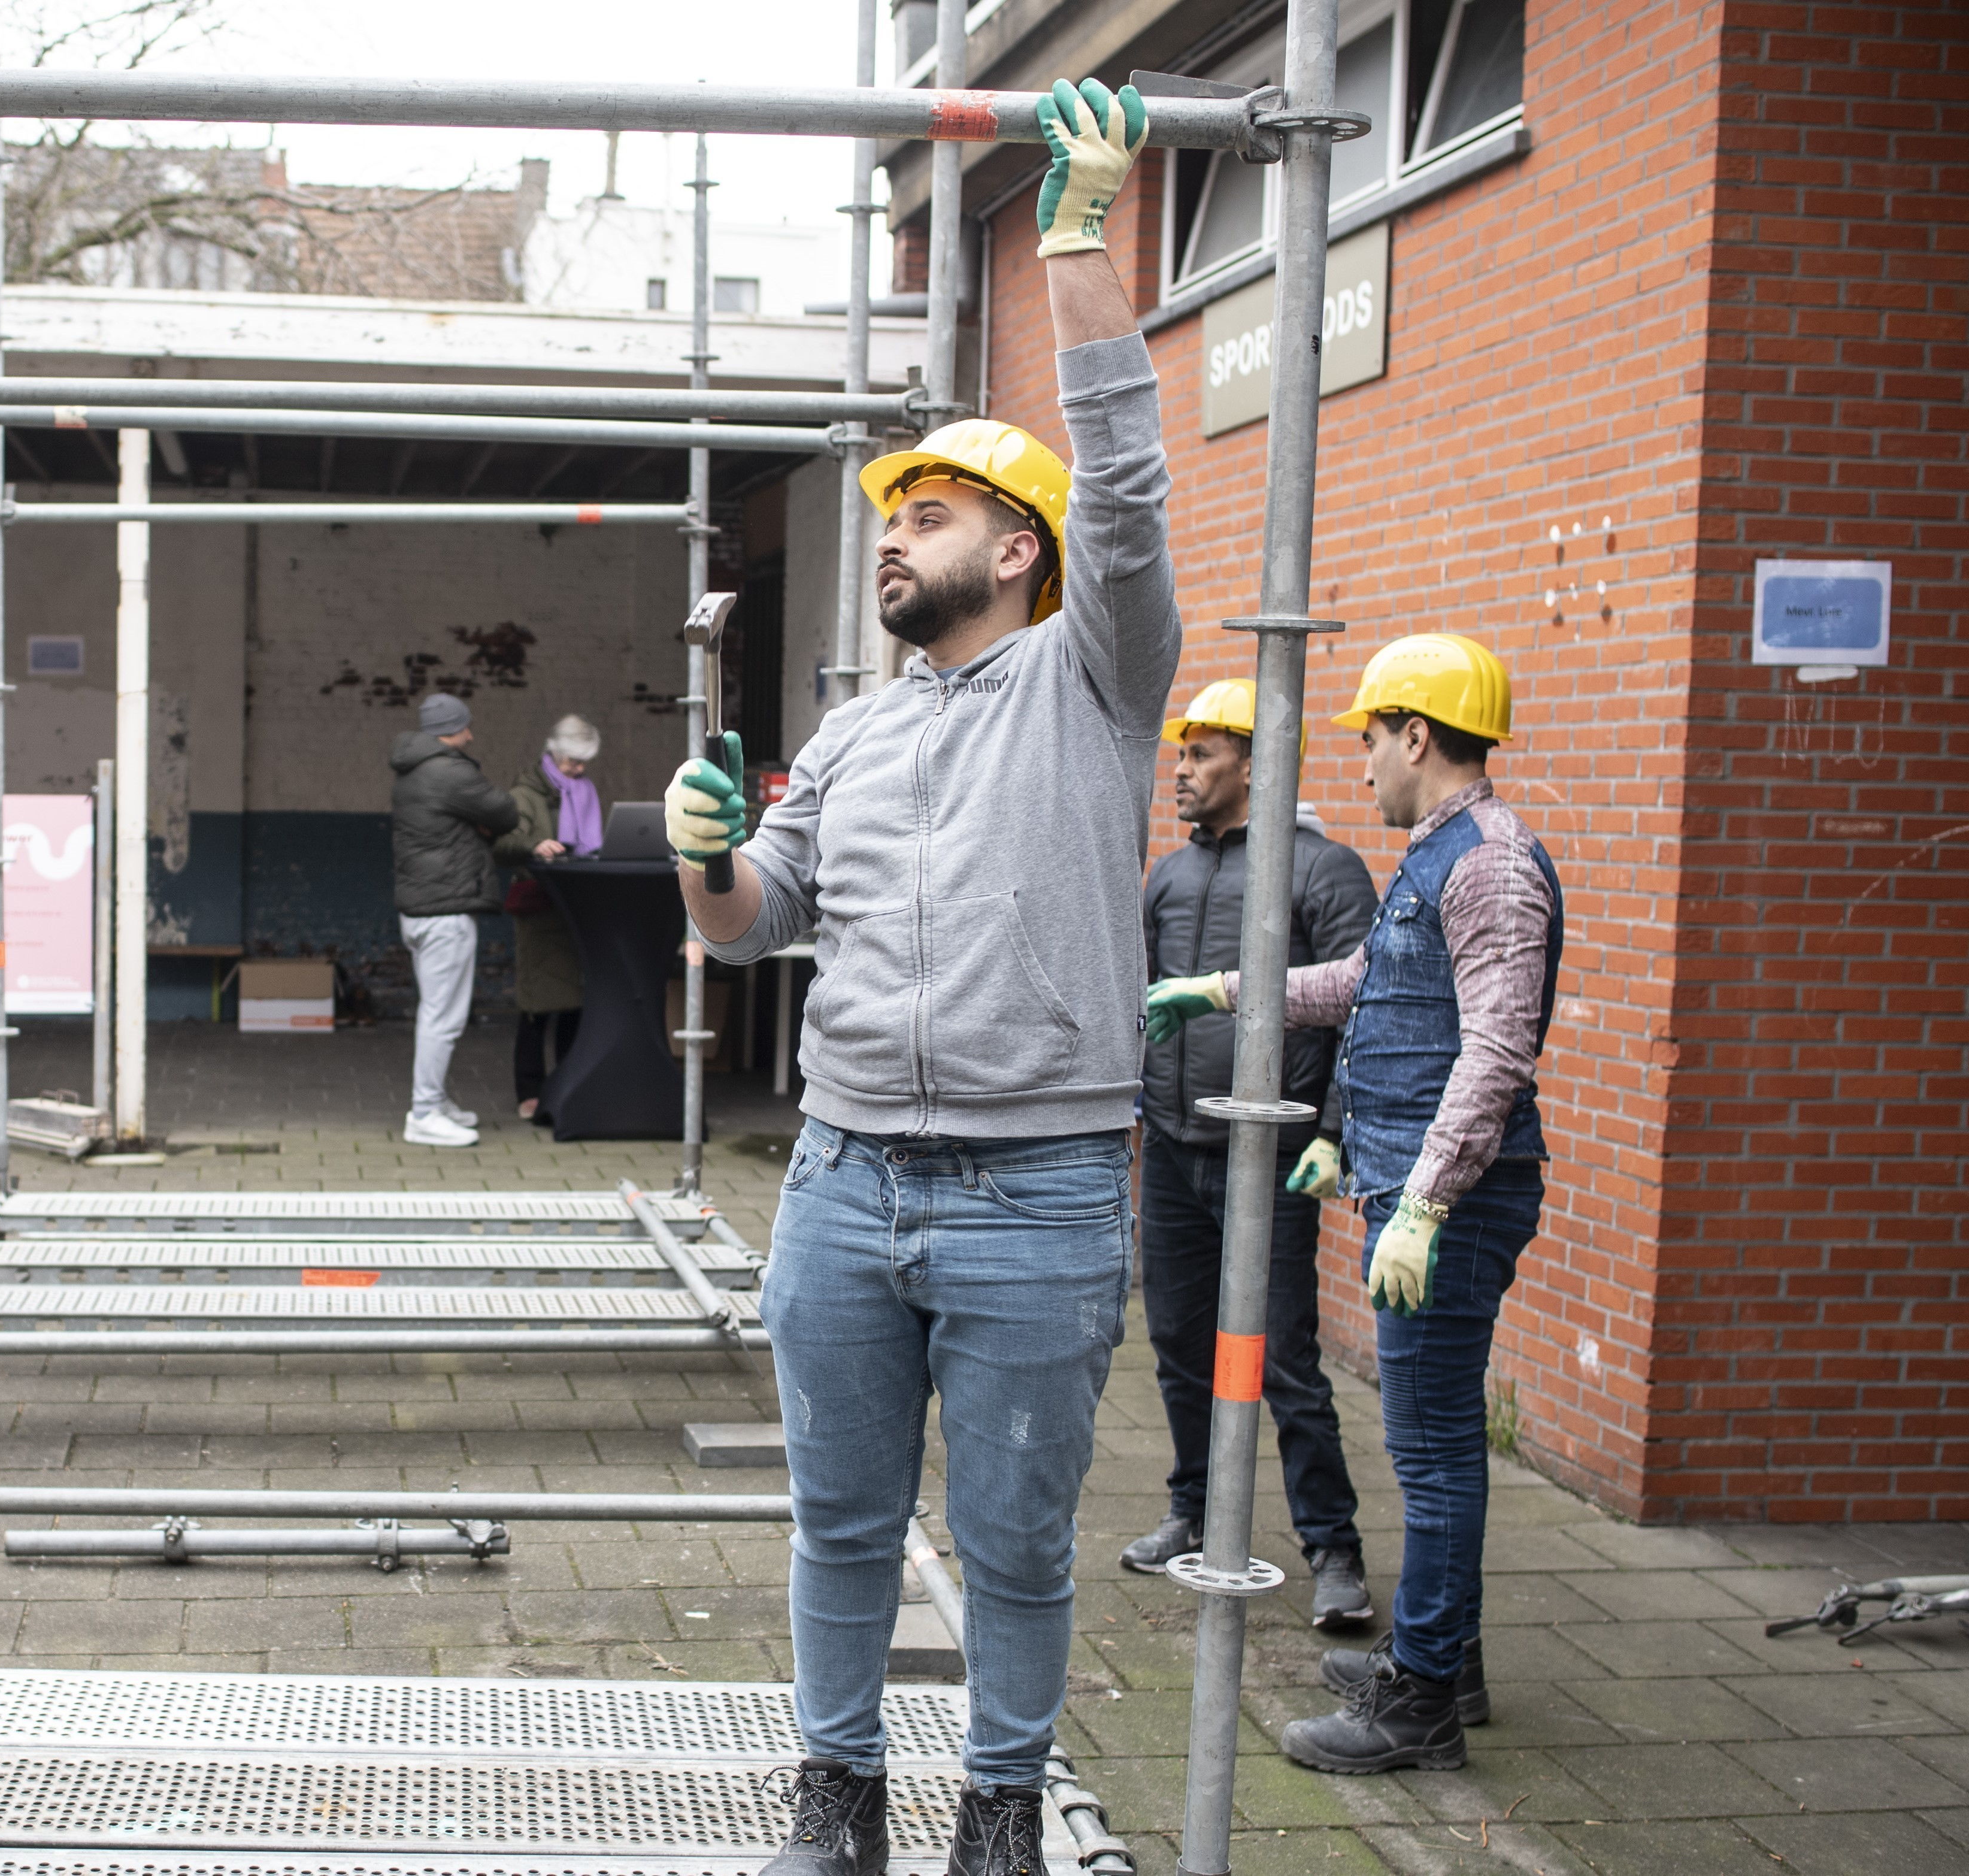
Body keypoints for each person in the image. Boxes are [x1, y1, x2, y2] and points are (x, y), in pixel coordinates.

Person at [671, 80, 1179, 1876]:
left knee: (1022, 1540)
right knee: (838, 1523)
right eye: (890, 516)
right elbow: (751, 926)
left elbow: (1122, 484)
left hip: (1036, 1190)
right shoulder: (856, 735)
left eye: (933, 512)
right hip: (839, 1182)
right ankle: (836, 1794)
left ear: (1016, 553)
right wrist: (700, 849)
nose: (892, 534)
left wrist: (1071, 244)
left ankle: (995, 1805)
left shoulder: (1095, 685)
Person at [1145, 632, 1564, 1776]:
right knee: (1430, 1448)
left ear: (1415, 735)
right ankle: (1449, 1656)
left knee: (1429, 1455)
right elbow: (1367, 989)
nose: (1363, 762)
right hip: (1409, 1183)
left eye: (1371, 737)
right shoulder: (1440, 853)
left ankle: (1419, 1696)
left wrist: (1423, 1201)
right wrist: (1222, 989)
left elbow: (1493, 1051)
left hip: (1452, 1204)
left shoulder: (1487, 865)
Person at [1124, 678, 1379, 1630]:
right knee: (1179, 1348)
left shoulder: (1324, 872)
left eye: (1199, 755)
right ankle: (1193, 1512)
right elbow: (1144, 1005)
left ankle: (1333, 1548)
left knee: (1285, 1360)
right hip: (1176, 1149)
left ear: (1255, 761)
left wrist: (1333, 1131)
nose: (1180, 773)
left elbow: (1365, 1012)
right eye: (1179, 754)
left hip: (1268, 1156)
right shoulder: (1169, 877)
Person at [388, 691, 520, 1145]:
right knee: (442, 1017)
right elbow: (506, 811)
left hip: (422, 910)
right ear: (453, 728)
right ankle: (424, 1113)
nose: (472, 732)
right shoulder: (449, 772)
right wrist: (482, 825)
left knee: (435, 1012)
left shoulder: (411, 770)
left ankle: (436, 1099)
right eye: (467, 725)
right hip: (447, 911)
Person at [492, 713, 604, 1122]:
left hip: (574, 908)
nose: (578, 769)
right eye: (571, 761)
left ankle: (567, 1086)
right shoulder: (524, 795)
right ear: (553, 754)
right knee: (537, 1005)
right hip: (539, 910)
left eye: (582, 762)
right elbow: (504, 845)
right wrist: (535, 844)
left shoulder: (585, 790)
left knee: (574, 1005)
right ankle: (530, 1091)